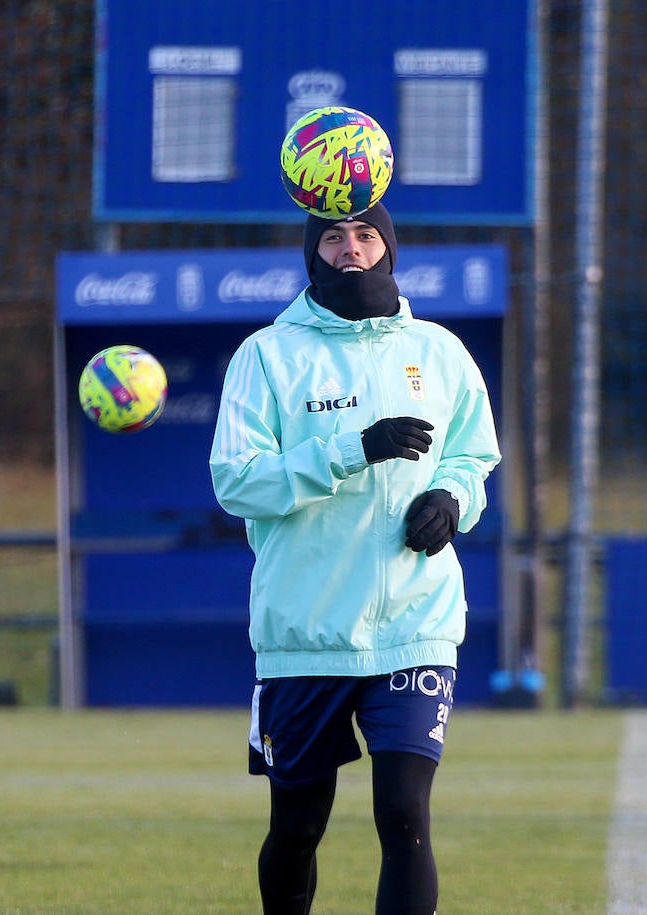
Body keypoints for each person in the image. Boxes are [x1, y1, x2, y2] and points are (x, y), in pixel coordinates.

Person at [210, 202, 501, 914]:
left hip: (415, 623)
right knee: (298, 827)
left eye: (366, 235)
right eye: (334, 237)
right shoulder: (267, 355)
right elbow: (237, 480)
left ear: (389, 247)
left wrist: (453, 498)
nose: (351, 248)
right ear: (313, 252)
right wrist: (349, 449)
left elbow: (473, 454)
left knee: (405, 816)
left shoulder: (438, 351)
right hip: (305, 632)